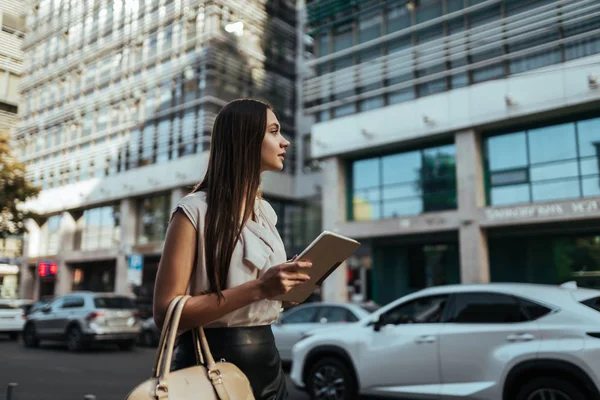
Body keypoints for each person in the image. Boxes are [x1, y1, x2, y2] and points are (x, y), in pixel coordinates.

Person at [153, 98, 312, 400]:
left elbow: (264, 298)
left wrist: (286, 286)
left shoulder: (265, 212)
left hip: (269, 363)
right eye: (274, 131)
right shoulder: (193, 211)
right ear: (246, 138)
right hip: (211, 368)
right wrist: (260, 287)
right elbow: (165, 313)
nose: (285, 142)